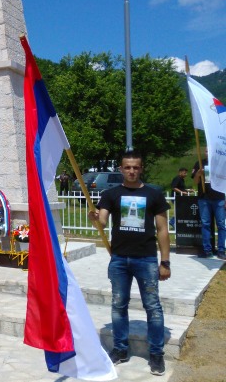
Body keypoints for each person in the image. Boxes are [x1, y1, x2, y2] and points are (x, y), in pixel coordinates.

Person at [88, 150, 171, 376]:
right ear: (121, 169)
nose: (132, 171)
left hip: (146, 259)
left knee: (152, 307)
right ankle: (121, 349)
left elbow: (163, 230)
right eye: (127, 167)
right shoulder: (111, 194)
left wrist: (165, 261)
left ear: (141, 168)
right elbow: (102, 222)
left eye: (135, 167)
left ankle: (156, 353)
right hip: (119, 260)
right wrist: (95, 218)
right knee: (118, 305)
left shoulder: (154, 195)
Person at [191, 149, 226, 259]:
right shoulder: (200, 163)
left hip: (219, 198)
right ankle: (207, 250)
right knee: (205, 224)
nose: (207, 152)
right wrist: (198, 174)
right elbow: (195, 182)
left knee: (221, 225)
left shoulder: (222, 163)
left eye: (209, 150)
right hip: (204, 198)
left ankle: (221, 250)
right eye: (206, 151)